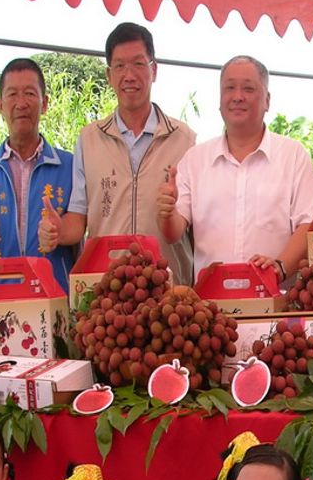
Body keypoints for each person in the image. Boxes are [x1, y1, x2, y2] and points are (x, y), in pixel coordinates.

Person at [40, 23, 198, 284]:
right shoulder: (89, 139)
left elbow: (193, 224)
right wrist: (57, 231)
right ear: (108, 75)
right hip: (108, 292)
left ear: (154, 70)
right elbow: (78, 219)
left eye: (138, 64)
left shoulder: (185, 139)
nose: (129, 75)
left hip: (169, 291)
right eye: (120, 66)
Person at [158, 55, 313, 281]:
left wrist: (279, 268)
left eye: (248, 88)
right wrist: (167, 213)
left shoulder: (292, 156)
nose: (237, 97)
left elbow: (309, 222)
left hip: (276, 301)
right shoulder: (195, 160)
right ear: (220, 99)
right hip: (211, 306)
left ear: (267, 100)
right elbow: (173, 232)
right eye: (229, 88)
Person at [0, 58, 77, 292]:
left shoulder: (70, 166)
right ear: (0, 105)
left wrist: (59, 232)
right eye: (12, 94)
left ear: (44, 104)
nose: (21, 103)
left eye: (30, 94)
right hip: (1, 298)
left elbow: (83, 228)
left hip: (55, 298)